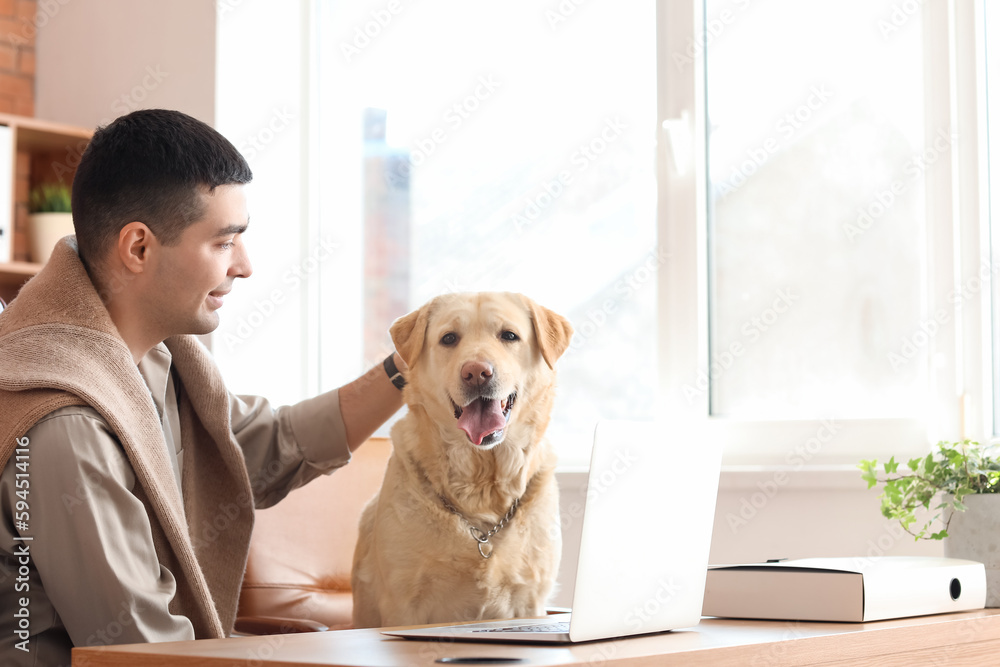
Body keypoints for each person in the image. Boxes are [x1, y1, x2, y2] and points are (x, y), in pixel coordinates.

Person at [0, 109, 405, 666]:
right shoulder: (66, 421)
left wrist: (411, 368)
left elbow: (268, 445)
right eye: (223, 242)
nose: (245, 266)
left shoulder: (154, 365)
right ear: (138, 248)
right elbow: (141, 653)